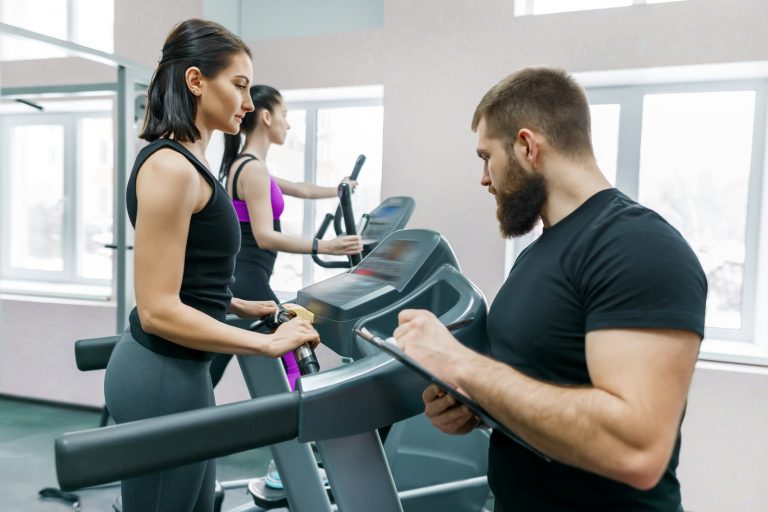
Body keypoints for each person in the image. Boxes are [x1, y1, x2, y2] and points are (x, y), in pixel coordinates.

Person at [393, 67, 707, 512]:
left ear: (527, 146)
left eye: (486, 157)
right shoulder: (539, 253)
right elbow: (545, 388)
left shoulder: (637, 245)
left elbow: (636, 449)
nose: (484, 178)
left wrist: (462, 365)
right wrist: (476, 407)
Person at [103, 19, 320, 512]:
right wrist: (266, 344)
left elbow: (188, 272)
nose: (248, 103)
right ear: (196, 81)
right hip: (160, 374)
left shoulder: (192, 162)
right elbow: (157, 311)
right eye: (239, 85)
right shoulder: (170, 167)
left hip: (184, 371)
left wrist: (234, 302)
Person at [209, 84, 363, 390]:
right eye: (284, 114)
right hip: (249, 280)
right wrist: (325, 246)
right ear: (267, 117)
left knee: (212, 364)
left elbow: (300, 188)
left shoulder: (247, 166)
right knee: (294, 353)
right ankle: (300, 417)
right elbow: (265, 237)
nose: (288, 124)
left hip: (242, 278)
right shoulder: (252, 169)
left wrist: (340, 189)